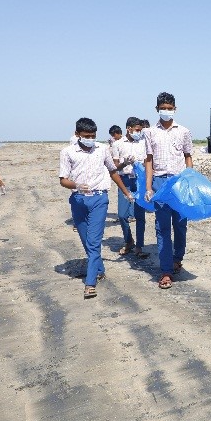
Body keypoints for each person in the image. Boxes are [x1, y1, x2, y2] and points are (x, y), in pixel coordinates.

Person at [60, 118, 134, 299]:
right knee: (86, 241)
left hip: (99, 199)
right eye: (87, 136)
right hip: (78, 201)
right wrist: (76, 185)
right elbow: (63, 180)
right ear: (77, 134)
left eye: (93, 136)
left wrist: (125, 192)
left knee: (94, 242)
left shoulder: (102, 150)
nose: (90, 139)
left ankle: (90, 282)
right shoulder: (67, 152)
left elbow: (112, 171)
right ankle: (99, 269)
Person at [143, 92, 193, 290]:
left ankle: (177, 258)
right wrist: (148, 187)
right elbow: (148, 160)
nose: (166, 111)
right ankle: (165, 271)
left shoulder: (184, 132)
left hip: (180, 182)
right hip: (159, 182)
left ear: (175, 109)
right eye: (163, 108)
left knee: (180, 225)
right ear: (157, 109)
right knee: (162, 227)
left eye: (169, 108)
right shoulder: (150, 133)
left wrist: (189, 180)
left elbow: (188, 156)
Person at [111, 117, 148, 258]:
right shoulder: (118, 145)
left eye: (140, 130)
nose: (139, 132)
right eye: (137, 130)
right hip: (124, 181)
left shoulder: (143, 143)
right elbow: (114, 167)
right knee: (122, 215)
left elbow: (147, 163)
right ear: (129, 129)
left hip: (139, 182)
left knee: (140, 216)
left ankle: (139, 246)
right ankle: (128, 240)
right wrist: (125, 163)